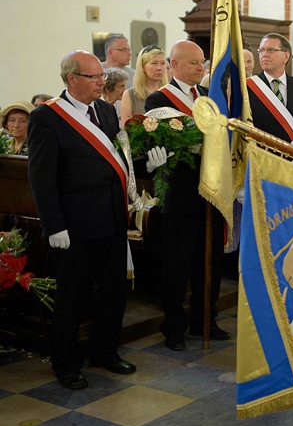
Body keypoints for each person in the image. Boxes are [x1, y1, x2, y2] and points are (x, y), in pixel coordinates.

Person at [28, 51, 135, 390]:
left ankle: (105, 351)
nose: (102, 81)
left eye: (102, 75)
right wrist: (53, 225)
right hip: (74, 225)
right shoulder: (47, 117)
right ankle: (67, 363)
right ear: (72, 78)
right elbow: (41, 177)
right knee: (72, 298)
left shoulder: (105, 110)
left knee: (113, 292)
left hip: (112, 219)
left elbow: (116, 159)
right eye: (94, 77)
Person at [144, 40, 230, 351]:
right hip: (180, 193)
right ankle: (174, 326)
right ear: (174, 65)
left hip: (211, 191)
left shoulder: (207, 96)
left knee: (210, 261)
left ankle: (205, 319)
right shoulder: (159, 98)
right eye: (193, 62)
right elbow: (159, 138)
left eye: (202, 62)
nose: (200, 67)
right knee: (177, 264)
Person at [246, 33, 293, 142]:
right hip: (262, 151)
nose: (264, 54)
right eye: (261, 50)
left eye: (271, 50)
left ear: (286, 56)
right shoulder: (248, 87)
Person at [121, 45, 168, 125]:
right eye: (154, 63)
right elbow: (126, 128)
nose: (159, 68)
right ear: (143, 67)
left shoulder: (170, 92)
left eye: (162, 63)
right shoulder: (130, 95)